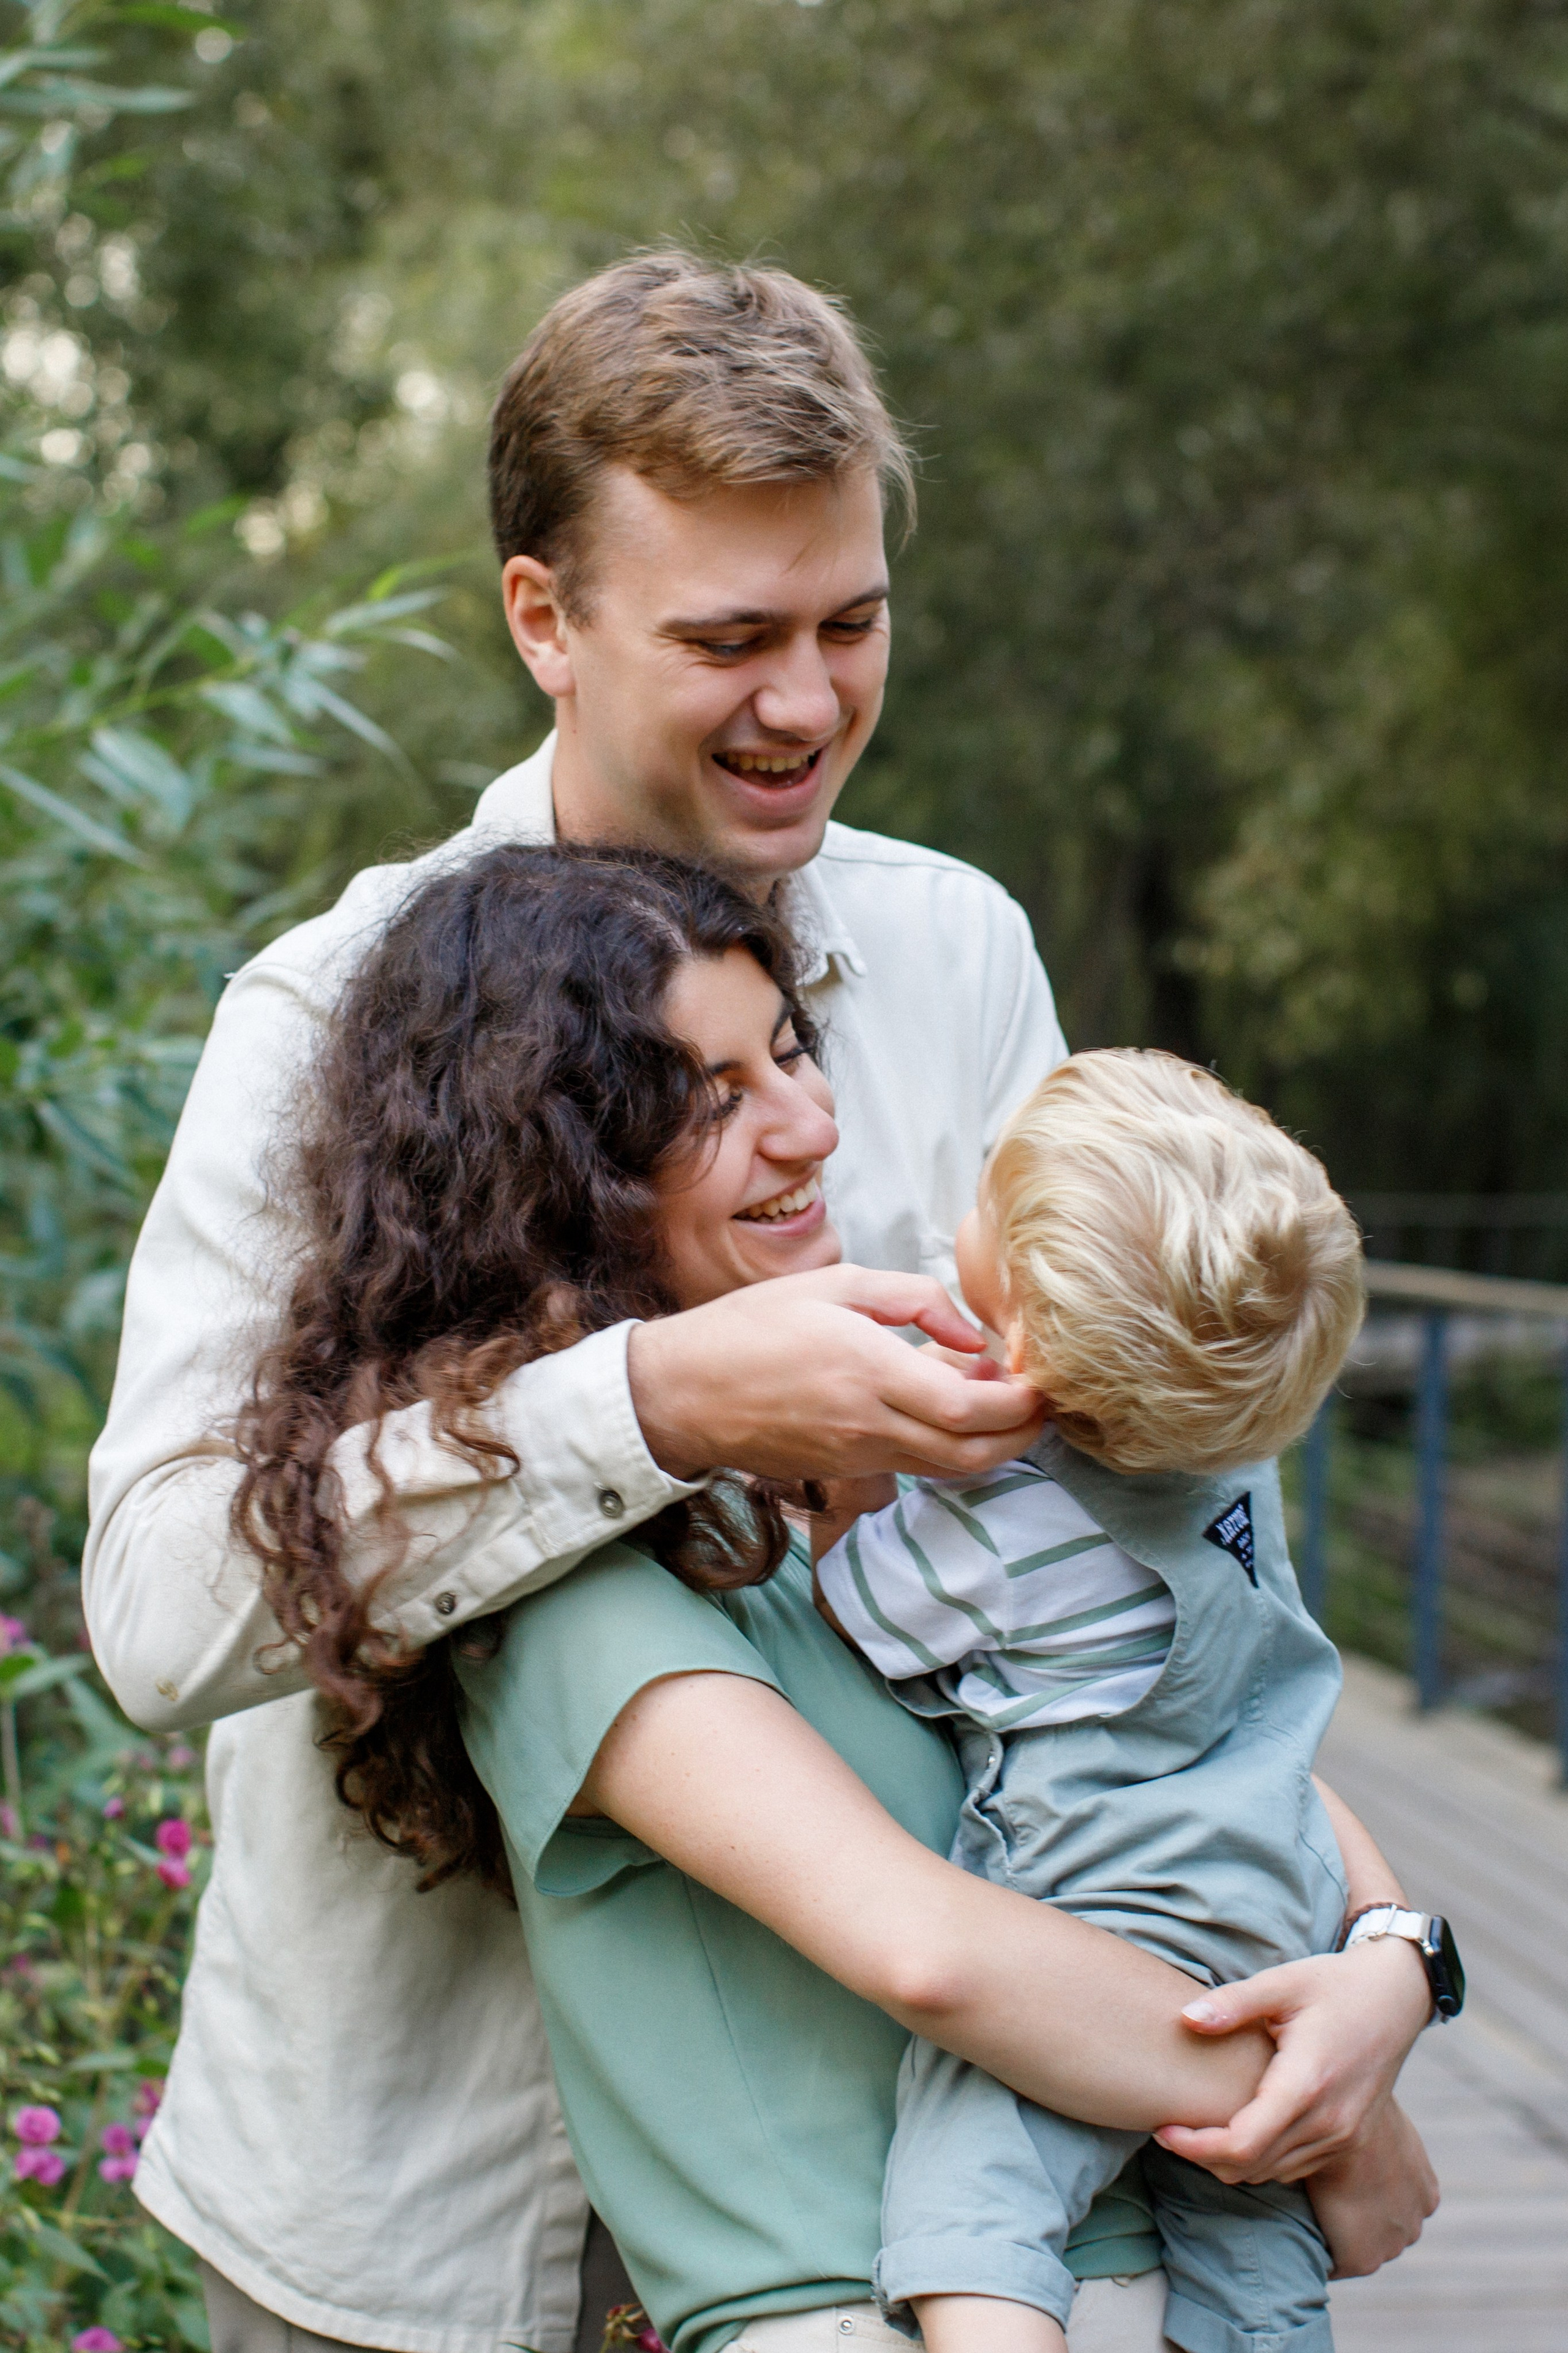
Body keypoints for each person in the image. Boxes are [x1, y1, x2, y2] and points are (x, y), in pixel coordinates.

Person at [81, 253, 1435, 2353]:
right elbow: (164, 1613)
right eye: (731, 638)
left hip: (901, 2179)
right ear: (545, 617)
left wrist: (1388, 1947)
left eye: (853, 622)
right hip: (427, 2218)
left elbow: (1143, 1565)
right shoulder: (327, 1020)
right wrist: (659, 1403)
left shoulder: (960, 955)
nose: (806, 701)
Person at [232, 839, 1428, 2353]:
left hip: (1112, 2247)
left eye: (790, 1048)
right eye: (710, 1098)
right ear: (561, 1177)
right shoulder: (553, 1580)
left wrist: (1394, 1958)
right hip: (888, 2299)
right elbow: (926, 1949)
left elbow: (1206, 1723)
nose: (812, 1122)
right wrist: (1332, 2117)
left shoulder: (914, 1468)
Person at [813, 1049, 1462, 2353]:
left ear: (1022, 1346)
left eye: (983, 1214)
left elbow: (855, 1618)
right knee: (1251, 2234)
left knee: (972, 2199)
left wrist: (837, 1490)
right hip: (1277, 1911)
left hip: (1102, 1922)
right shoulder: (1233, 1458)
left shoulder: (1001, 1520)